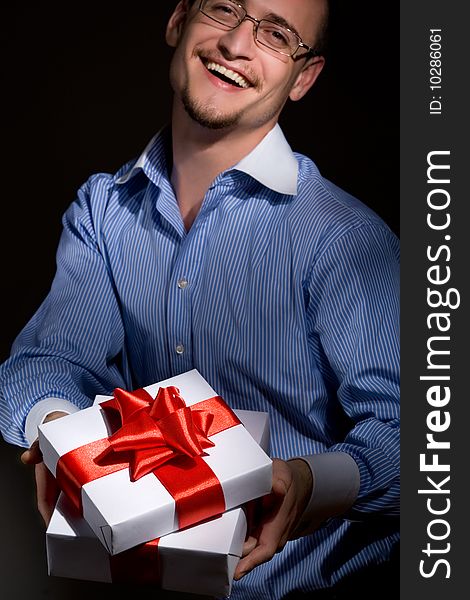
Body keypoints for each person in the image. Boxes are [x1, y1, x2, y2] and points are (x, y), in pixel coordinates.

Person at [0, 1, 400, 598]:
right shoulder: (102, 212)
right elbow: (43, 363)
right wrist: (62, 442)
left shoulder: (345, 239)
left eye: (276, 33)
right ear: (178, 20)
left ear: (305, 77)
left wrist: (308, 484)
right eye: (224, 8)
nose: (237, 42)